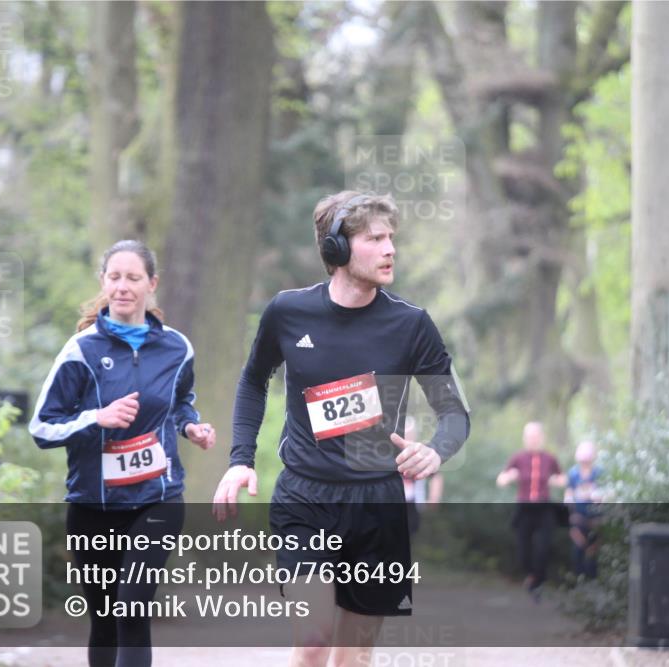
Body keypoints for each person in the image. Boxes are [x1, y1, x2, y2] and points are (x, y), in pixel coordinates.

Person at [212, 191, 470, 667]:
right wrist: (240, 459)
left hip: (376, 503)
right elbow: (253, 380)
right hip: (304, 497)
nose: (390, 249)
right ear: (337, 248)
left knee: (353, 657)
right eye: (375, 239)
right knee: (312, 642)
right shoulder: (288, 312)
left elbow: (454, 410)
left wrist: (437, 450)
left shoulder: (410, 324)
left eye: (391, 238)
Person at [30, 240, 216, 667]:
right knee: (105, 620)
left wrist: (191, 426)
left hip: (157, 498)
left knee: (132, 607)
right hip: (92, 505)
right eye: (114, 277)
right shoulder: (81, 350)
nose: (123, 287)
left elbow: (180, 402)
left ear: (152, 284)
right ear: (103, 282)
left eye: (133, 278)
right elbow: (42, 427)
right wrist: (98, 418)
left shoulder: (177, 348)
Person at [496, 422, 565, 601]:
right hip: (524, 508)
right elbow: (501, 479)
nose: (532, 440)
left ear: (542, 438)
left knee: (543, 549)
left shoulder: (549, 458)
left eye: (535, 437)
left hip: (544, 508)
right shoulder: (518, 458)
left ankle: (537, 584)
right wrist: (509, 477)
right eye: (529, 437)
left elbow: (562, 478)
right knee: (523, 552)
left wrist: (556, 480)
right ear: (524, 439)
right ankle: (532, 577)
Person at [565, 440, 603, 579]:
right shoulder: (573, 473)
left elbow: (605, 495)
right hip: (578, 517)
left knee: (593, 551)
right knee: (578, 549)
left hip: (596, 518)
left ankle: (593, 580)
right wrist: (569, 505)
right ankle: (578, 579)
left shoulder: (599, 473)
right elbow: (569, 494)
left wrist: (596, 497)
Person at [402, 416, 444, 536]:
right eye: (405, 434)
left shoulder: (420, 453)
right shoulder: (388, 453)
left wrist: (434, 498)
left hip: (413, 505)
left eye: (410, 434)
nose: (407, 438)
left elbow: (436, 476)